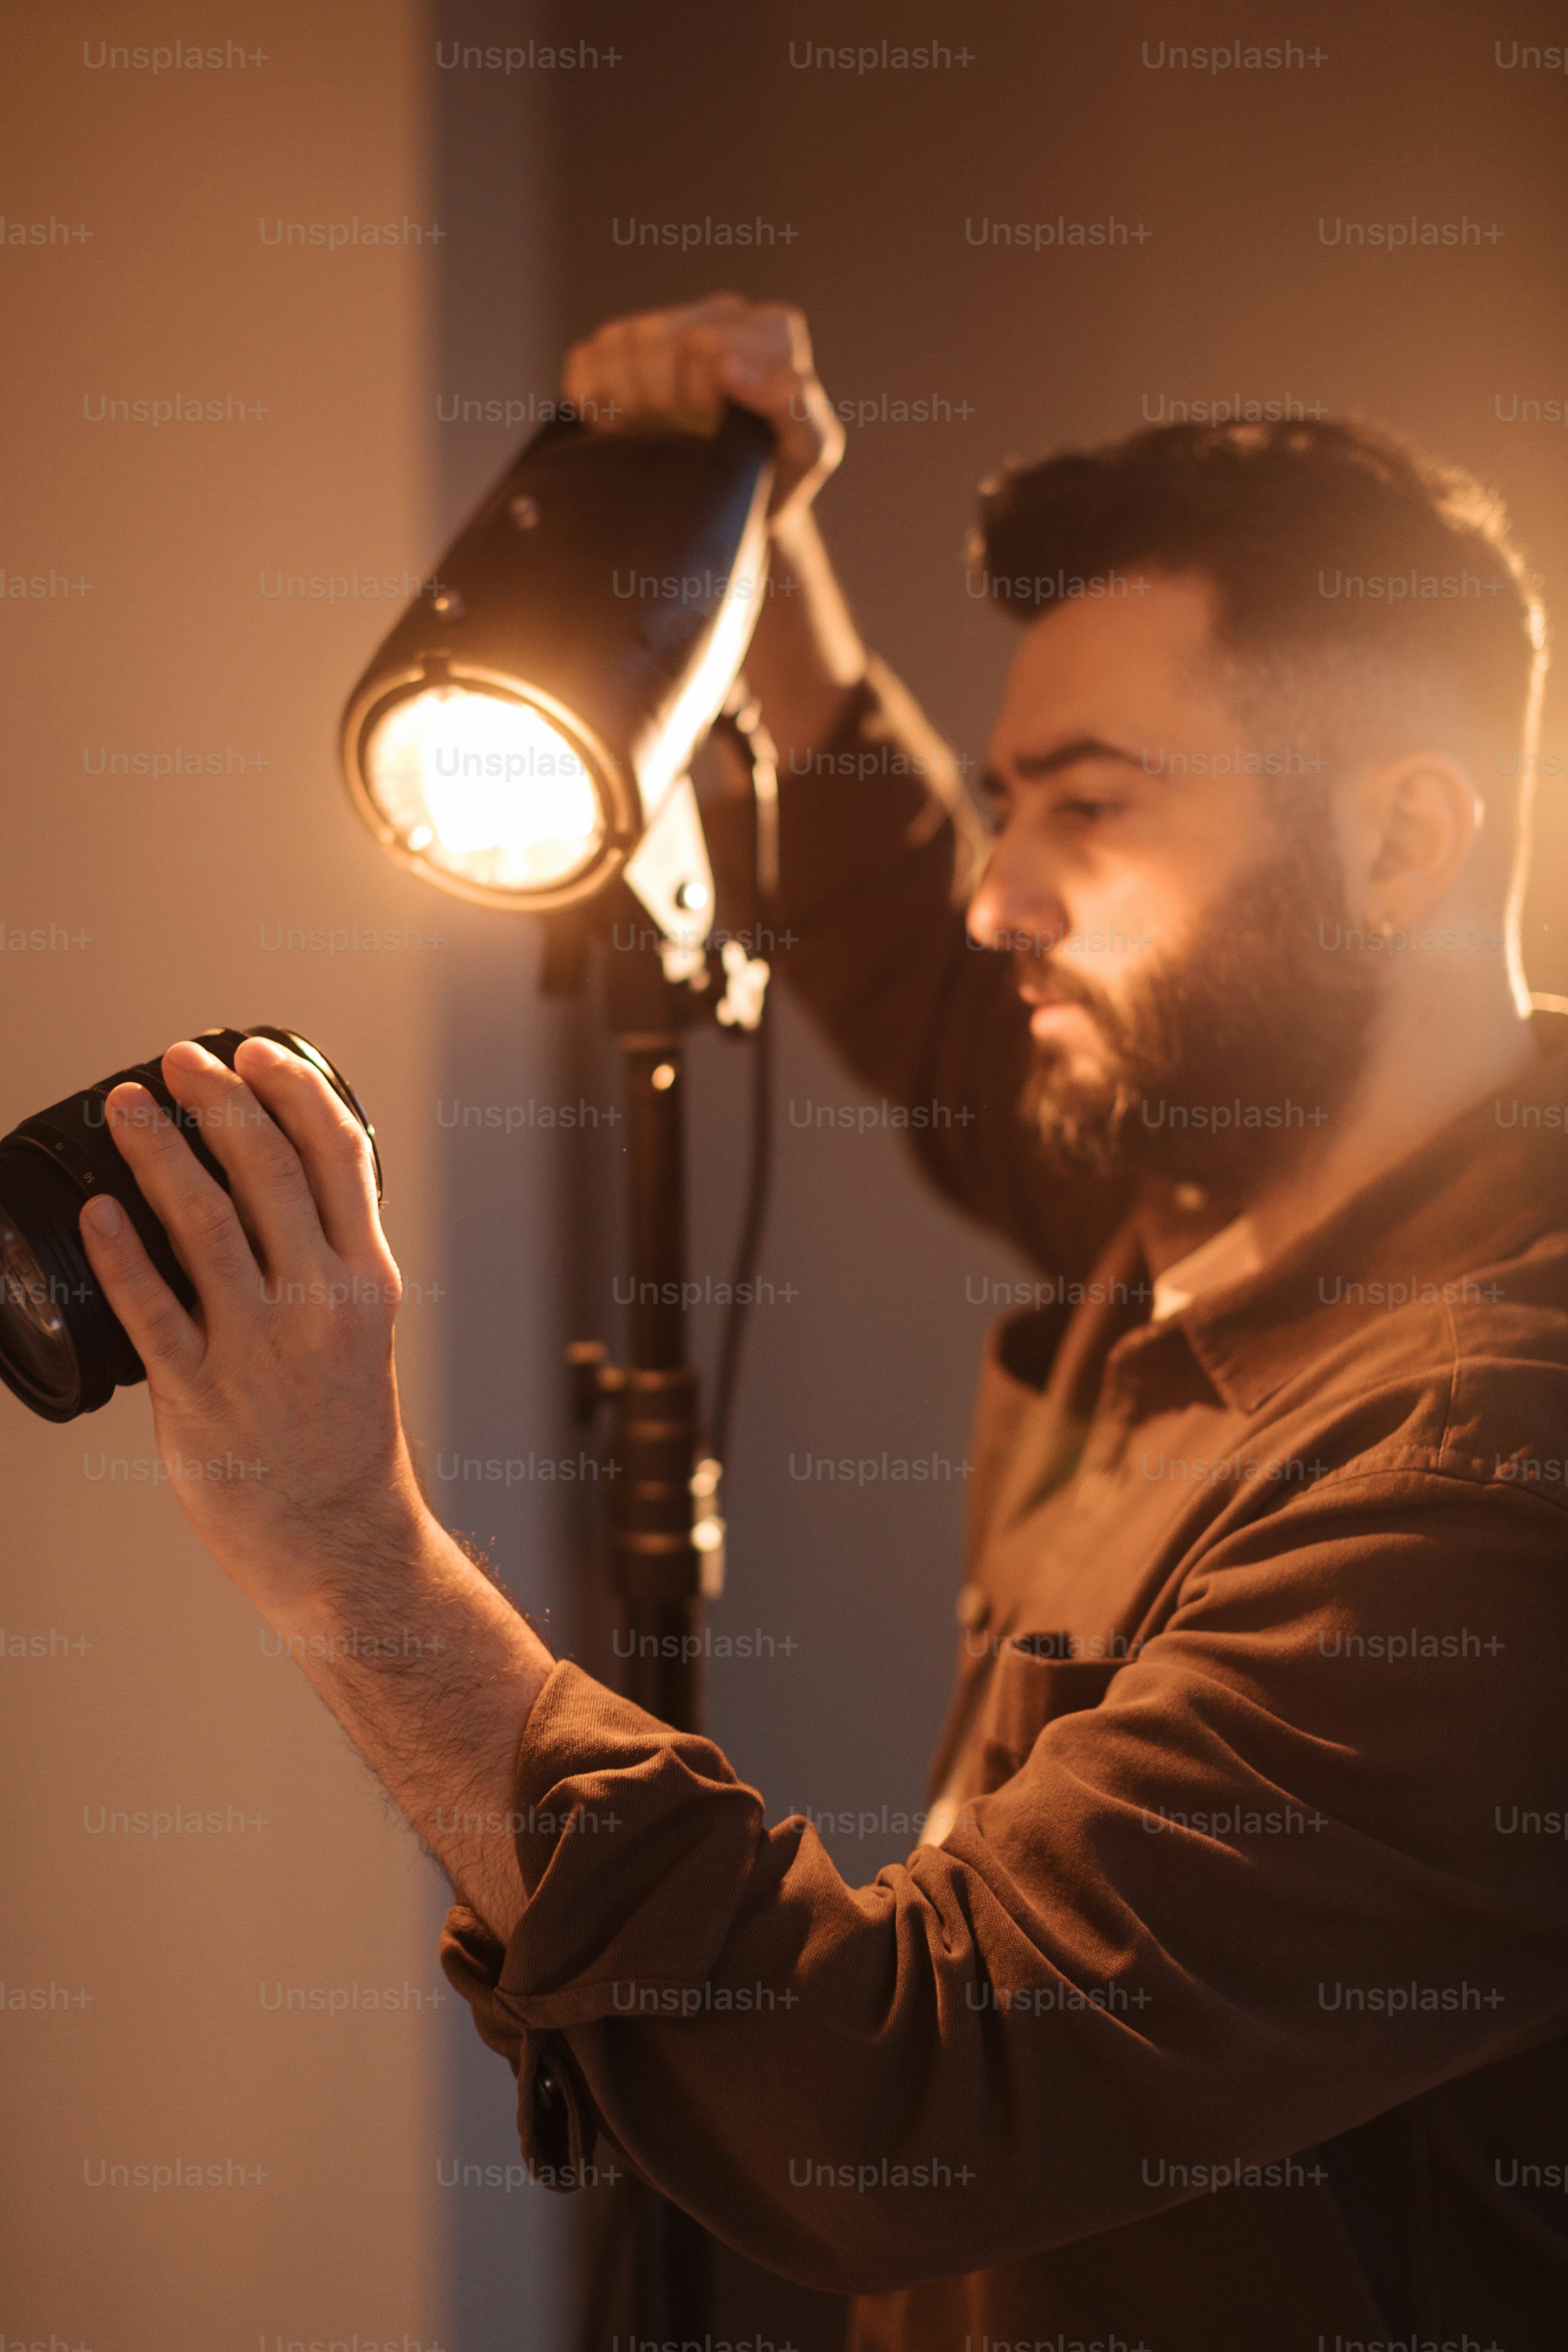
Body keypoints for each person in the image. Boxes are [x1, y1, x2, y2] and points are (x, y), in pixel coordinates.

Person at [78, 296, 1568, 2352]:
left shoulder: (1487, 1470)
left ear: (1398, 839)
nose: (998, 890)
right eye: (1002, 800)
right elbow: (938, 994)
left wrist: (350, 1558)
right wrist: (764, 561)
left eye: (1091, 807)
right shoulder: (1228, 1168)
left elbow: (913, 2101)